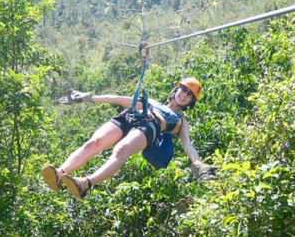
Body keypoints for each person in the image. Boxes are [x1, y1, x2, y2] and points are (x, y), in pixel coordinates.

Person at [41, 78, 219, 200]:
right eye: (184, 89)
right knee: (93, 143)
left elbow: (187, 145)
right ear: (177, 89)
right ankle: (59, 173)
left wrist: (197, 162)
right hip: (130, 117)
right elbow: (117, 99)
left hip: (150, 126)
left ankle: (85, 184)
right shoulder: (152, 102)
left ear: (190, 102)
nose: (185, 95)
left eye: (190, 95)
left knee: (120, 150)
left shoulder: (181, 122)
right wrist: (87, 98)